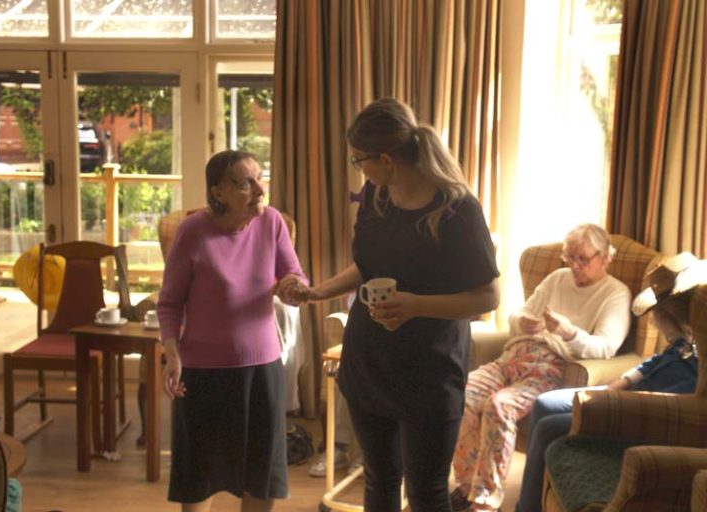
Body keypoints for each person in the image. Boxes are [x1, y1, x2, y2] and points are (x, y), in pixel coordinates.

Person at [295, 97, 500, 512]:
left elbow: (488, 296)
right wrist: (320, 291)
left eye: (360, 161)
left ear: (386, 159)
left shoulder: (458, 210)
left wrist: (415, 305)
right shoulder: (377, 196)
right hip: (370, 360)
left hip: (430, 370)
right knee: (380, 481)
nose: (360, 170)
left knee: (426, 493)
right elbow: (368, 266)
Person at [157, 149, 307, 512]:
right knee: (200, 474)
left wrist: (292, 286)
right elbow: (170, 302)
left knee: (261, 473)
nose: (259, 189)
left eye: (260, 178)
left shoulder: (271, 222)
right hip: (204, 372)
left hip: (262, 369)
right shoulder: (193, 231)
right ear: (218, 192)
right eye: (244, 183)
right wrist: (172, 353)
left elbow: (295, 275)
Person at [450, 224, 632, 512]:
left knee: (500, 407)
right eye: (569, 257)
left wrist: (569, 332)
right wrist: (521, 322)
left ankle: (484, 501)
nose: (574, 265)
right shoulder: (558, 278)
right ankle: (466, 485)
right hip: (512, 357)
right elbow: (520, 313)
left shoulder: (616, 293)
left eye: (582, 258)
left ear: (605, 256)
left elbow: (606, 348)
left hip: (547, 369)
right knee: (463, 395)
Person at [514, 251, 705, 512]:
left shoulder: (701, 349)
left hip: (642, 413)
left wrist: (617, 398)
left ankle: (526, 509)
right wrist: (622, 382)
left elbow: (679, 402)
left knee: (550, 428)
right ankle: (532, 498)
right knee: (545, 403)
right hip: (627, 394)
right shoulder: (686, 338)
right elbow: (653, 362)